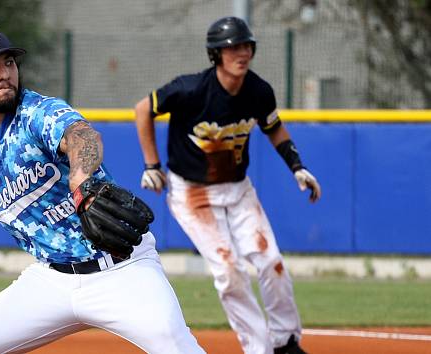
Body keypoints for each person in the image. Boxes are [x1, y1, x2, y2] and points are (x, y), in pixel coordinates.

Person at [0, 28, 205, 354]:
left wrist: (81, 183)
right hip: (51, 282)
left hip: (123, 271)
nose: (4, 73)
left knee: (177, 348)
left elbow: (83, 136)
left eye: (8, 62)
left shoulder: (37, 113)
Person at [134, 17, 321, 354]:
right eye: (233, 47)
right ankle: (259, 348)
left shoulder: (259, 91)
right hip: (192, 193)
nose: (242, 52)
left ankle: (285, 342)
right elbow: (143, 109)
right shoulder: (191, 89)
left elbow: (274, 127)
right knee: (230, 270)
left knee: (271, 262)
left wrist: (298, 166)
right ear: (216, 54)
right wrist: (152, 164)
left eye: (247, 45)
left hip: (238, 189)